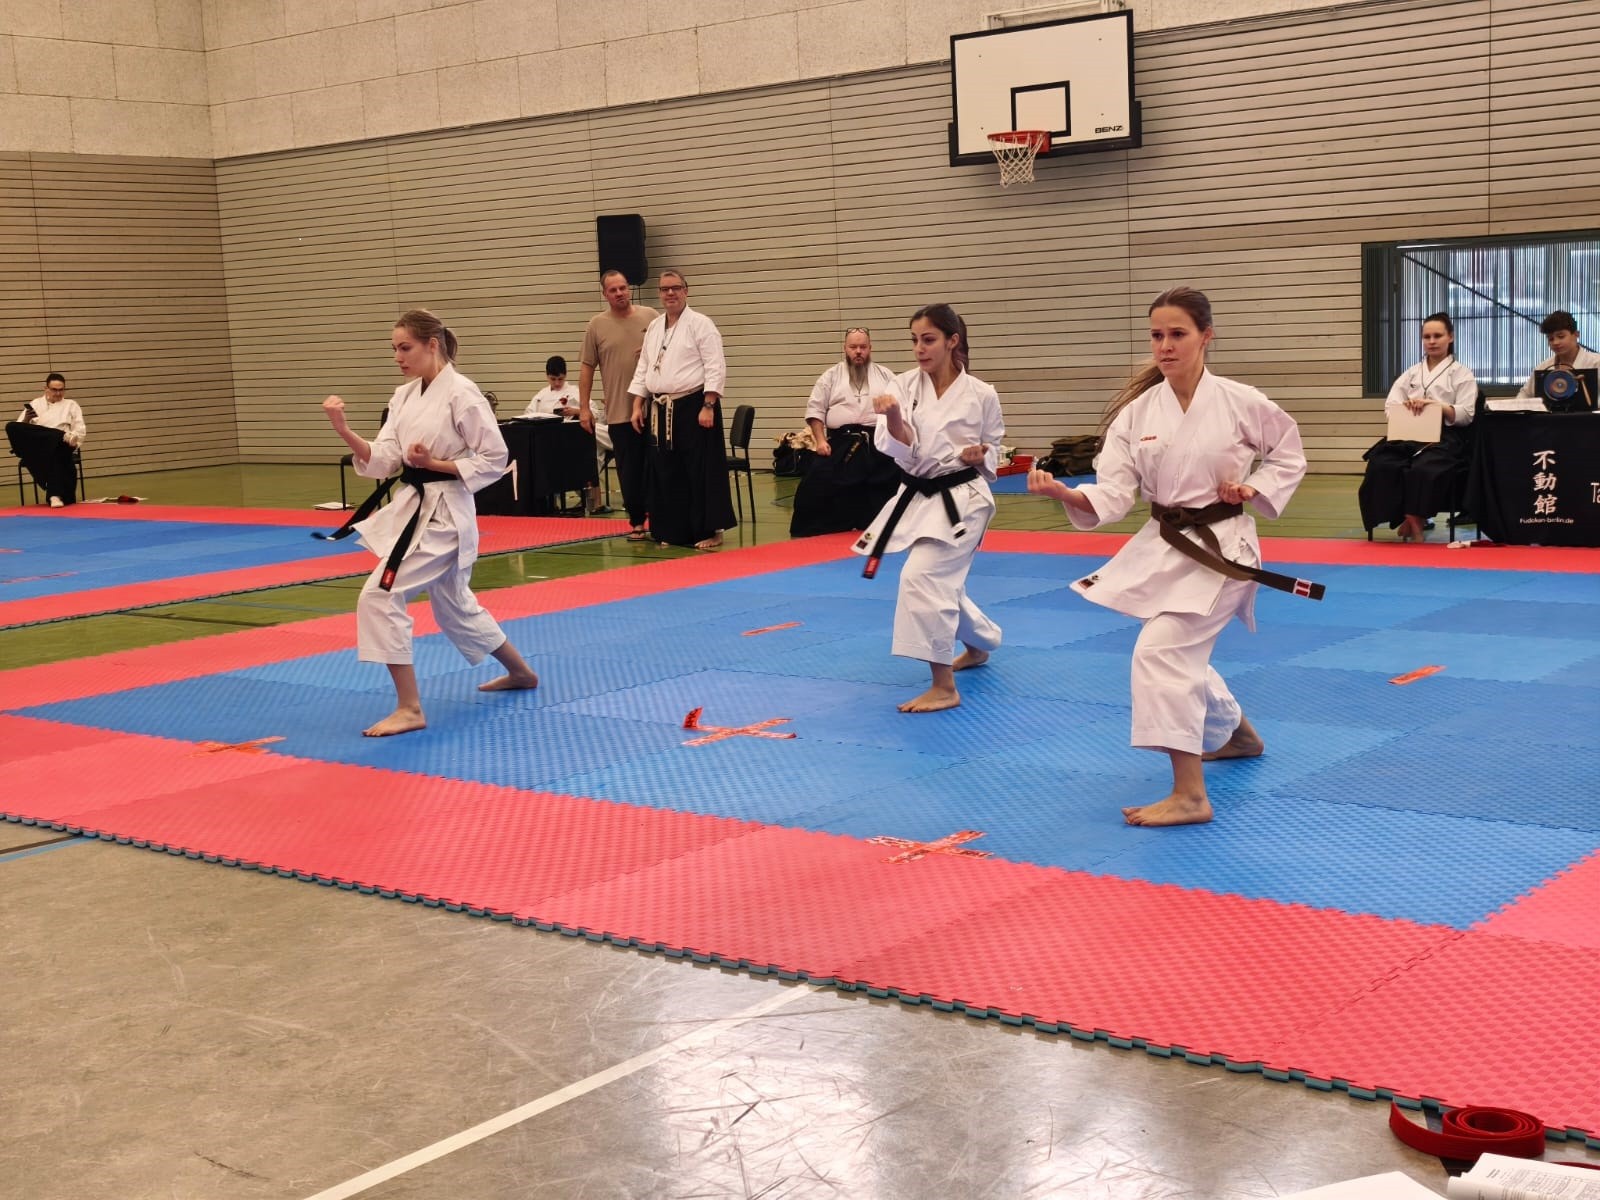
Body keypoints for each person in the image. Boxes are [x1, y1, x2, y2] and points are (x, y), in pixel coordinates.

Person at [1027, 286, 1309, 827]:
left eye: (1177, 334)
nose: (1165, 346)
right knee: (1180, 651)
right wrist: (1067, 494)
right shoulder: (1137, 415)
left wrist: (1254, 487)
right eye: (1157, 335)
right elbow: (1114, 494)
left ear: (1206, 337)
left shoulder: (1240, 401)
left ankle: (1190, 795)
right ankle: (1237, 735)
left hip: (1223, 549)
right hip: (1164, 548)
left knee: (1161, 652)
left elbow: (1289, 454)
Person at [321, 309, 538, 738]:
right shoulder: (403, 396)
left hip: (446, 516)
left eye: (405, 348)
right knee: (454, 603)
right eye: (394, 349)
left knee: (379, 596)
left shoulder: (463, 393)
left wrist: (434, 463)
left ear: (432, 344)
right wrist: (344, 429)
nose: (398, 357)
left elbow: (495, 457)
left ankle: (410, 707)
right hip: (416, 508)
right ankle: (522, 673)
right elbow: (385, 459)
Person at [852, 303, 1003, 713]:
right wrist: (894, 416)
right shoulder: (900, 386)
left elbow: (995, 446)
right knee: (941, 581)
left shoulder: (982, 393)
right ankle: (980, 644)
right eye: (915, 340)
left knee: (922, 577)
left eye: (929, 339)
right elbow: (899, 446)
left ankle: (943, 686)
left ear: (953, 341)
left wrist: (980, 454)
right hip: (918, 496)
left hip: (964, 499)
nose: (919, 348)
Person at [627, 270, 737, 549]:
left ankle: (710, 530)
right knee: (666, 469)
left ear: (686, 291)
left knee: (699, 469)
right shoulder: (655, 327)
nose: (670, 293)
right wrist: (637, 404)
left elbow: (715, 365)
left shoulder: (701, 324)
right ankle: (673, 531)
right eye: (665, 289)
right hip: (660, 407)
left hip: (694, 405)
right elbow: (644, 367)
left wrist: (708, 404)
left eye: (675, 288)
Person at [1357, 313, 1478, 541]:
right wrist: (1406, 408)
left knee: (1425, 468)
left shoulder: (1461, 374)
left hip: (1445, 437)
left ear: (1450, 337)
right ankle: (1401, 515)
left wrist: (1437, 406)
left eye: (1438, 336)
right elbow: (1391, 406)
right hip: (1408, 433)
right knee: (1381, 463)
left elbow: (1466, 414)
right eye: (1426, 337)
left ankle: (1416, 517)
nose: (1432, 341)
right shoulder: (1411, 373)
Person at [790, 327, 901, 537]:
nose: (858, 351)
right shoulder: (830, 376)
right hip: (840, 444)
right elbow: (815, 411)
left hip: (877, 443)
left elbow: (900, 410)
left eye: (863, 347)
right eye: (853, 347)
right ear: (845, 349)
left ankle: (885, 526)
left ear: (870, 348)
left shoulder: (886, 376)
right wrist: (820, 441)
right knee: (814, 484)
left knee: (897, 478)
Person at [580, 270, 656, 538]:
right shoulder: (596, 325)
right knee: (629, 470)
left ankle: (662, 520)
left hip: (654, 410)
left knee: (658, 467)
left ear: (629, 288)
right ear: (605, 294)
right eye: (613, 290)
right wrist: (584, 408)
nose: (620, 293)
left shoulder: (651, 317)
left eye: (623, 287)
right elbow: (587, 368)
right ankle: (637, 521)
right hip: (619, 412)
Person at [7, 372, 85, 507]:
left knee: (57, 448)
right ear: (46, 389)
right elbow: (21, 428)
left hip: (64, 444)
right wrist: (27, 419)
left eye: (61, 390)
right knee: (11, 426)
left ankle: (54, 495)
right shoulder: (35, 403)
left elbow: (80, 429)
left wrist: (72, 439)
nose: (58, 393)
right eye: (54, 390)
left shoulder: (71, 405)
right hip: (40, 447)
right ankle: (58, 436)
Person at [1512, 310, 1600, 400]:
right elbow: (1525, 394)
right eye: (1551, 339)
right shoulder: (1543, 367)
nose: (1555, 342)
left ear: (1576, 334)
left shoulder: (1596, 362)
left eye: (1561, 336)